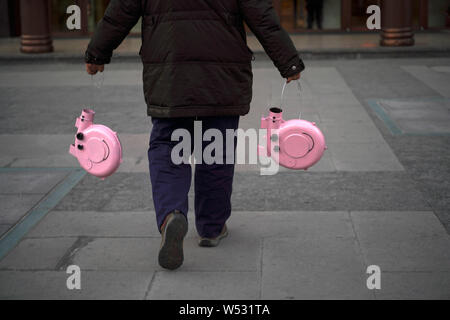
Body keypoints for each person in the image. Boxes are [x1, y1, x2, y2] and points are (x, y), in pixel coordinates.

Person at [85, 0, 304, 270]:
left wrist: (97, 53)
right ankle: (211, 228)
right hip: (222, 76)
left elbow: (119, 14)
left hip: (169, 72)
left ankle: (171, 215)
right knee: (216, 149)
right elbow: (262, 16)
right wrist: (289, 62)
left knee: (167, 148)